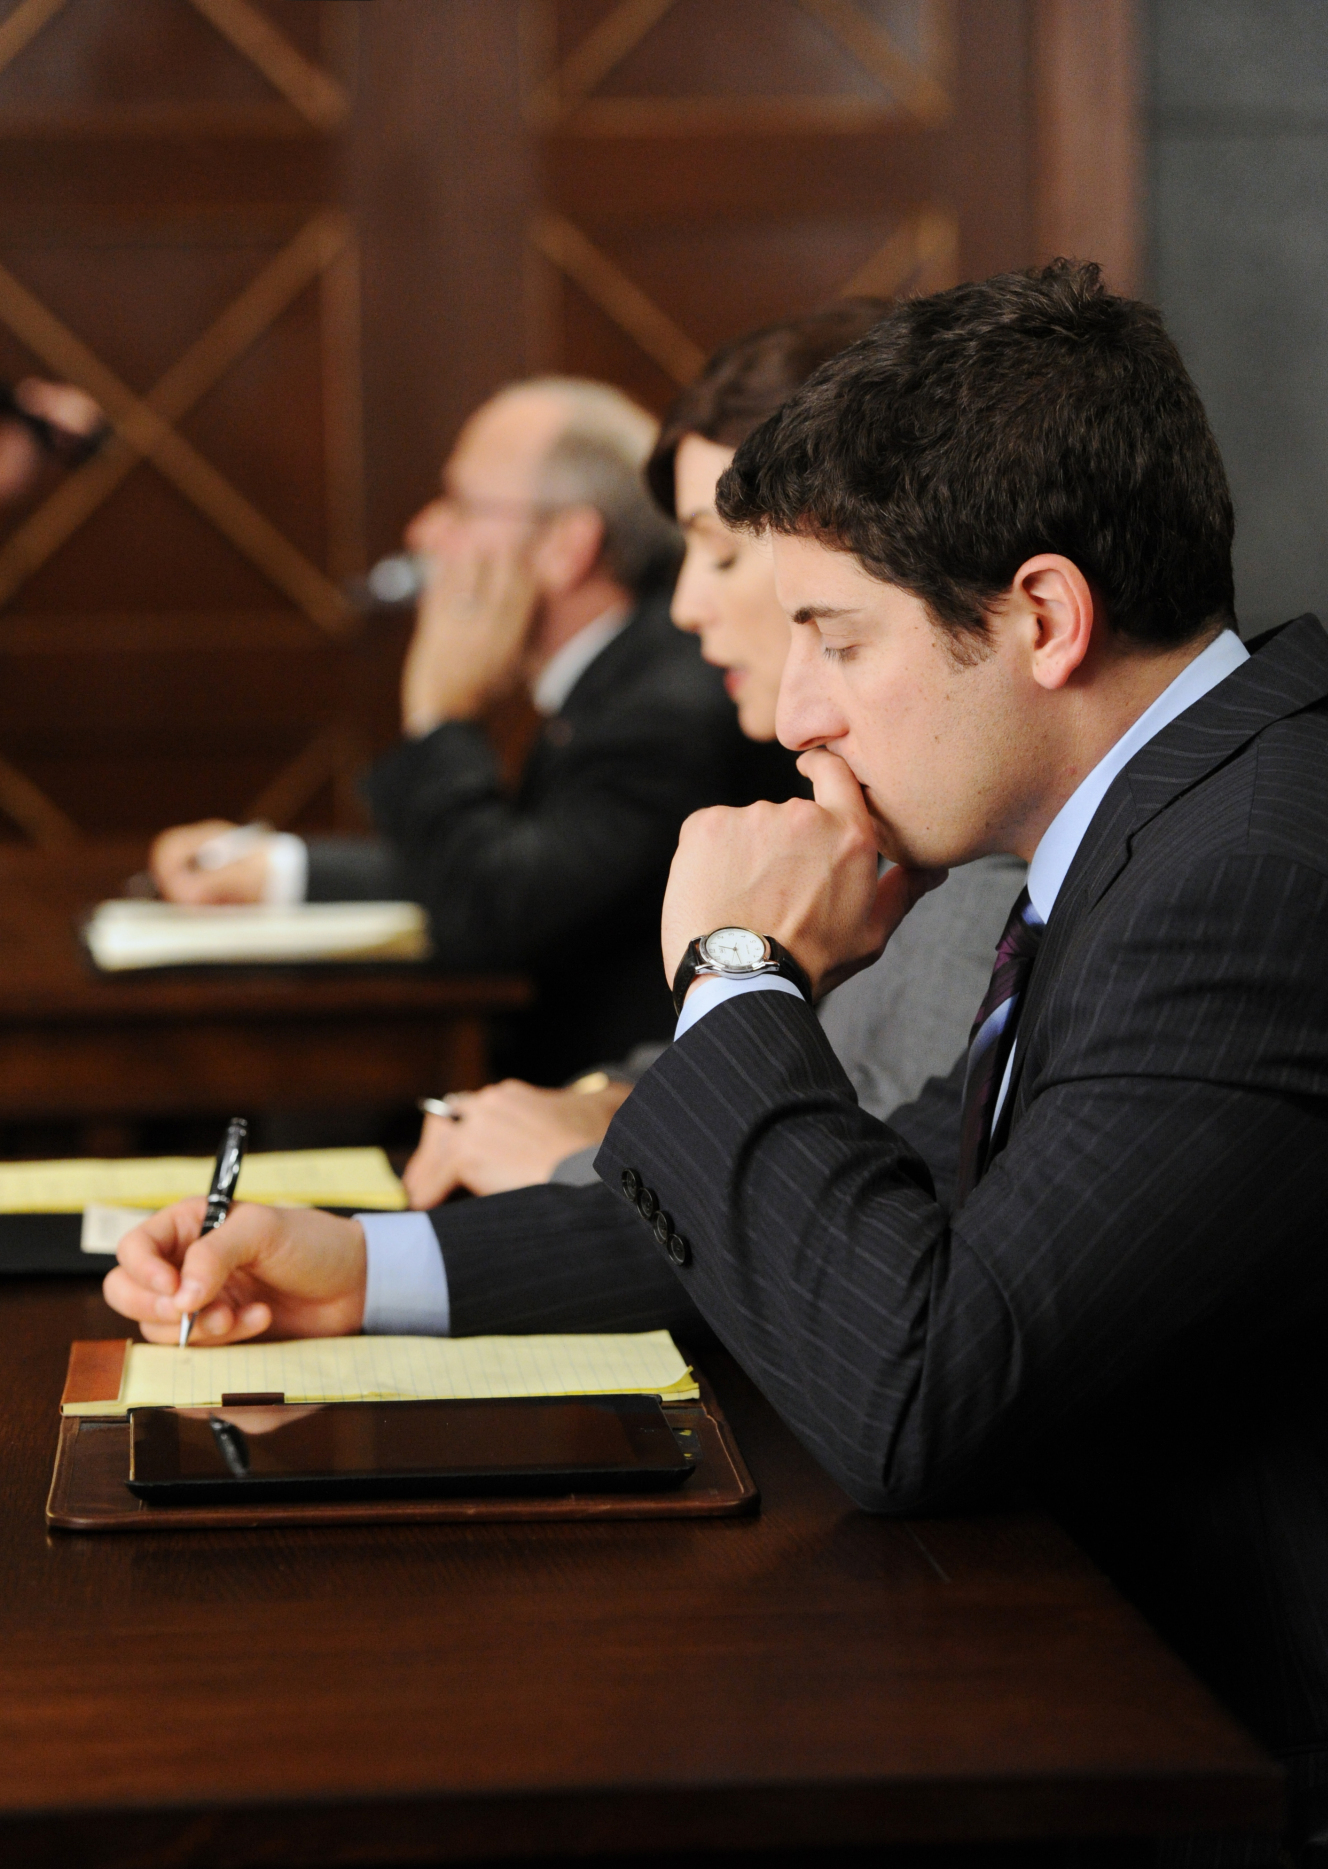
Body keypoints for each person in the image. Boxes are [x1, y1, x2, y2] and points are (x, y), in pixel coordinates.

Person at [108, 261, 1328, 1869]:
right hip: (1083, 1716)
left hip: (1226, 1843)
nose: (786, 713)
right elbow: (900, 1189)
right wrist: (366, 1268)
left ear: (1043, 617)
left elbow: (917, 1388)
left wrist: (740, 973)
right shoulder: (1163, 831)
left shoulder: (1256, 875)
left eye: (832, 637)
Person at [400, 306, 1024, 1206]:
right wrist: (604, 1106)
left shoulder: (977, 824)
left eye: (724, 553)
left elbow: (881, 1189)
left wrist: (571, 1161)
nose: (686, 607)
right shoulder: (890, 797)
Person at [149, 378, 789, 1083]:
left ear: (564, 546)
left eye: (461, 504)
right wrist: (276, 872)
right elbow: (527, 860)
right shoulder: (626, 669)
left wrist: (438, 713)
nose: (425, 532)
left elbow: (493, 912)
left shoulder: (665, 704)